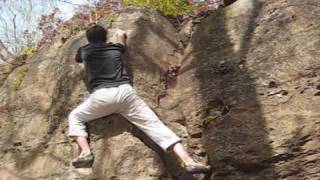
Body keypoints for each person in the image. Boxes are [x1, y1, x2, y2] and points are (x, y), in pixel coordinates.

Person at [68, 25, 211, 174]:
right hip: (126, 93)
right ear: (105, 37)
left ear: (89, 39)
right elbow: (122, 43)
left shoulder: (85, 50)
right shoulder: (115, 48)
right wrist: (122, 34)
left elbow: (78, 59)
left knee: (75, 116)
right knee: (156, 127)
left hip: (102, 96)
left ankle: (85, 152)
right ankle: (189, 162)